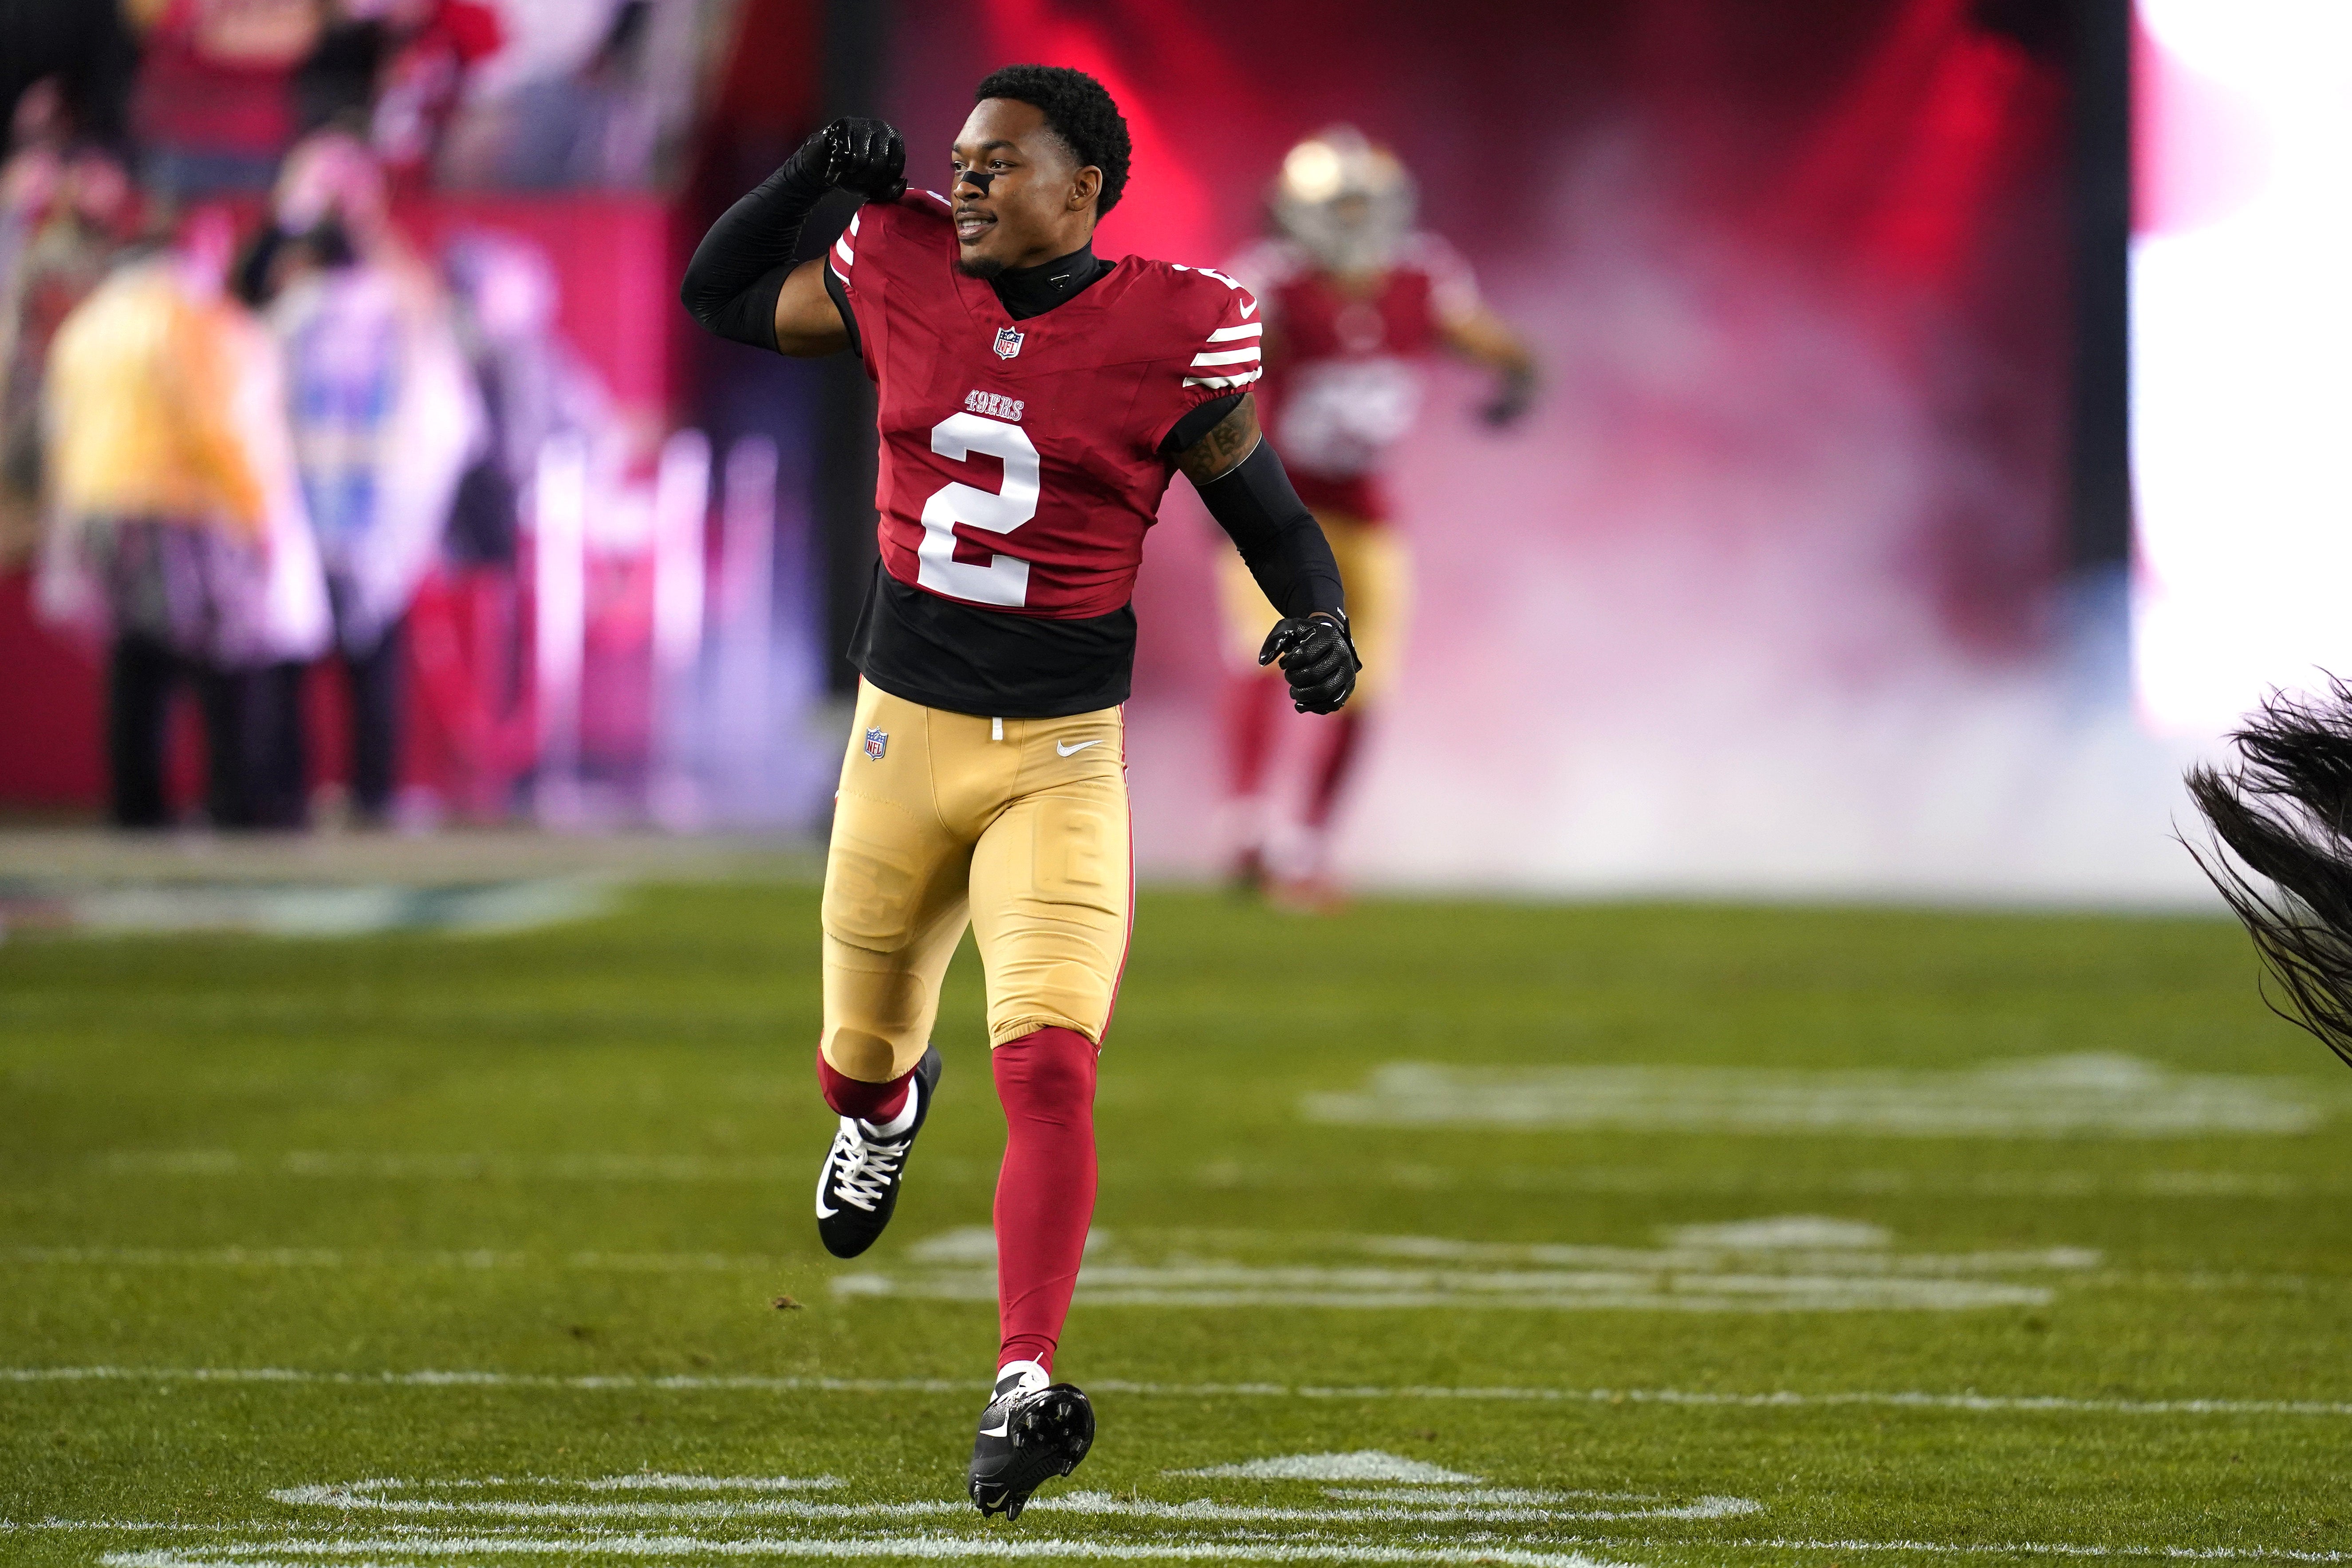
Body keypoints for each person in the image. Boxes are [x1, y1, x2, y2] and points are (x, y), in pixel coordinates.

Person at [681, 67, 1356, 1518]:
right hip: (899, 745)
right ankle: (885, 1108)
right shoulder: (902, 258)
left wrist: (1319, 615)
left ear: (1087, 187)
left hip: (1059, 761)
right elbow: (719, 291)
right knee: (860, 1054)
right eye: (963, 157)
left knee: (1051, 1060)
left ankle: (1024, 1379)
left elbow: (1273, 516)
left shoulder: (1177, 326)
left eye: (1003, 161)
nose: (967, 179)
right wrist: (808, 170)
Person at [1219, 126, 1534, 907]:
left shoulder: (1421, 276)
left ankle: (1308, 845)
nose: (1356, 223)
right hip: (1273, 507)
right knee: (1264, 656)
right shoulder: (1275, 282)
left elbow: (1484, 338)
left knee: (1365, 681)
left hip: (1366, 514)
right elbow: (1205, 357)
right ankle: (1250, 828)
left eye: (1368, 206)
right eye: (1341, 206)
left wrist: (1517, 369)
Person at [39, 203, 327, 827]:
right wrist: (259, 517)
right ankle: (239, 801)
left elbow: (58, 426)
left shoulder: (89, 325)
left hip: (99, 502)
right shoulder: (196, 321)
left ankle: (137, 804)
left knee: (137, 659)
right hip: (183, 504)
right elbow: (224, 426)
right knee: (226, 659)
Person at [253, 131, 481, 824]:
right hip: (373, 512)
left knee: (289, 665)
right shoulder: (397, 309)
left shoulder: (288, 316)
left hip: (300, 508)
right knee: (370, 668)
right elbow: (451, 421)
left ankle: (285, 797)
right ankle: (374, 797)